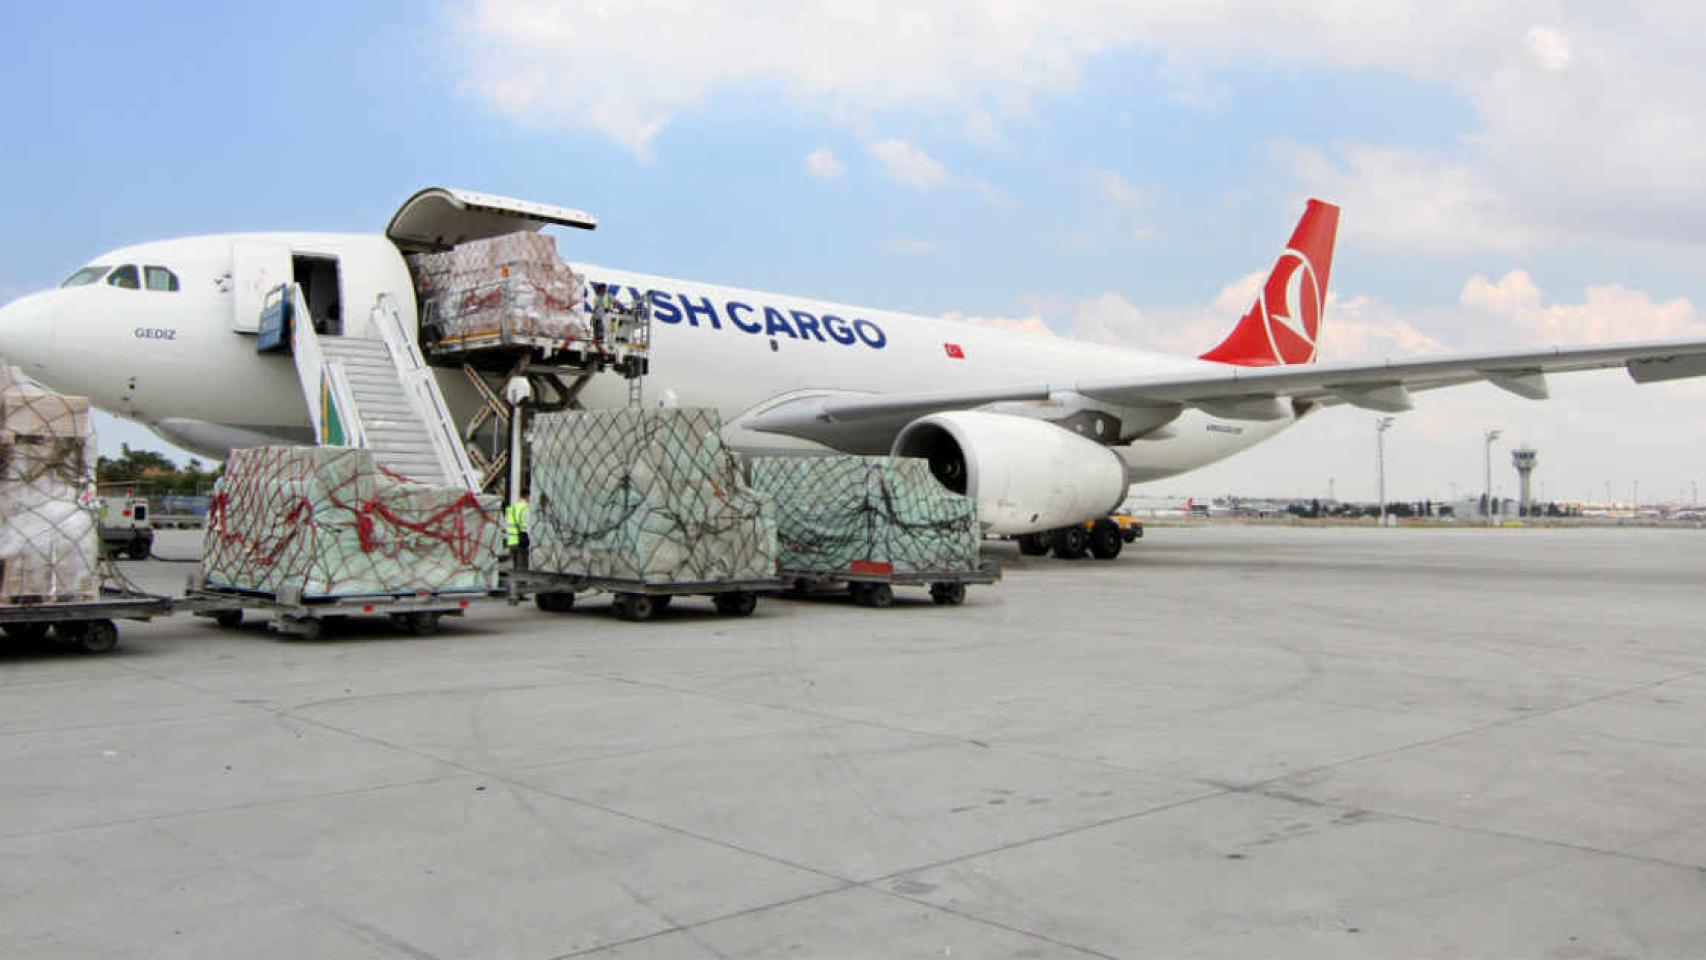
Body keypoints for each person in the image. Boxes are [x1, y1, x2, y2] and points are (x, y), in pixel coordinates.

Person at [505, 493, 530, 569]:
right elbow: (527, 523)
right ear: (527, 497)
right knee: (523, 565)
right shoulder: (526, 508)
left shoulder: (511, 508)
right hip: (521, 539)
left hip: (511, 539)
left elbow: (506, 523)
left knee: (514, 564)